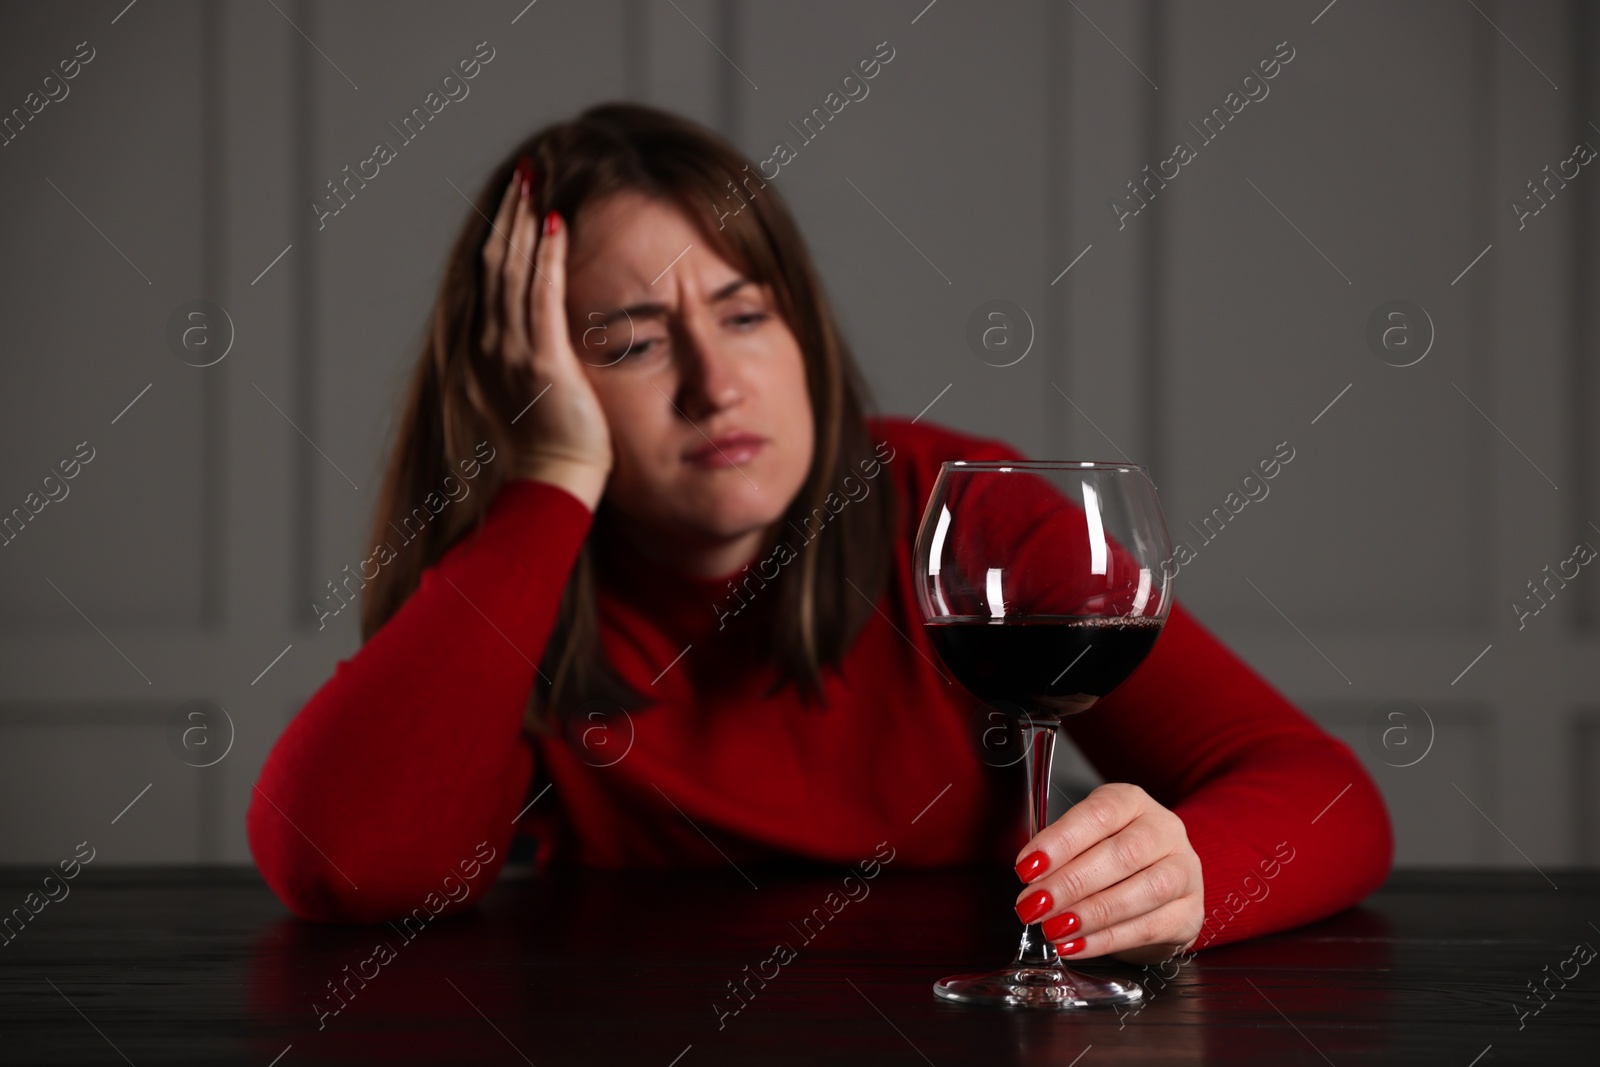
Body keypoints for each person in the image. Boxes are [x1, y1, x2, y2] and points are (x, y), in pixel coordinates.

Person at [247, 102, 1391, 964]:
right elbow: (341, 862)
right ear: (525, 382)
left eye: (745, 313)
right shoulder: (521, 573)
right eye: (632, 342)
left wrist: (1190, 879)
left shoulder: (961, 507)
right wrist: (548, 479)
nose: (715, 382)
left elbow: (1324, 794)